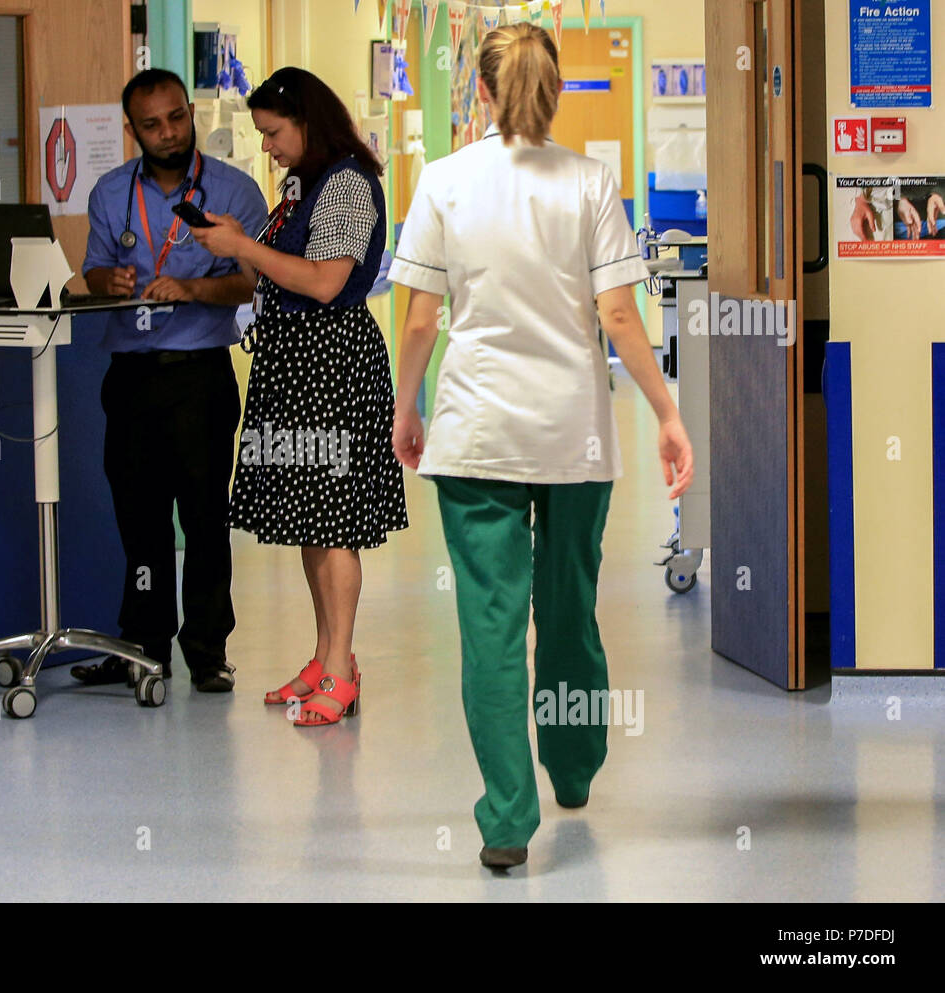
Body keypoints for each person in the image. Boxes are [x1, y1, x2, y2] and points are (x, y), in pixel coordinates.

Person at [388, 23, 693, 868]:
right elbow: (621, 316)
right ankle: (574, 763)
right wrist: (667, 413)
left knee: (489, 626)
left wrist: (405, 408)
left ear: (478, 94)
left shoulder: (443, 181)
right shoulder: (591, 183)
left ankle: (507, 823)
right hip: (573, 435)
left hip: (476, 432)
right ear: (553, 93)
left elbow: (420, 318)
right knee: (567, 610)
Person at [191, 67, 408, 727]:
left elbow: (323, 281)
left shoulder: (345, 185)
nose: (267, 147)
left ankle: (340, 670)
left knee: (334, 520)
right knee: (310, 519)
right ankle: (324, 656)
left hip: (331, 365)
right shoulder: (303, 184)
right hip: (295, 364)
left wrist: (242, 248)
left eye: (273, 132)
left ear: (307, 121)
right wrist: (241, 243)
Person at [77, 69, 268, 693]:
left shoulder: (235, 192)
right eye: (153, 125)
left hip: (200, 377)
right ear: (132, 131)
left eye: (177, 118)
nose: (169, 133)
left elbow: (253, 282)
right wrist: (107, 282)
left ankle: (208, 650)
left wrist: (190, 288)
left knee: (207, 517)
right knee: (141, 521)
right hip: (130, 377)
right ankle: (143, 644)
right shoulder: (109, 193)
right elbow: (92, 275)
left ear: (190, 113)